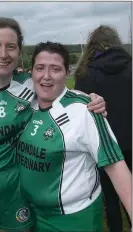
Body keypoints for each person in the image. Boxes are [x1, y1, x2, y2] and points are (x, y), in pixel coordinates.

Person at [0, 17, 106, 232]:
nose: (4, 54)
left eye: (11, 47)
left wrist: (90, 98)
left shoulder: (28, 84)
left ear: (19, 52)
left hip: (16, 185)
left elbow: (60, 91)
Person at [17, 41, 131, 232]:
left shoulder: (85, 110)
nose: (46, 76)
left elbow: (116, 166)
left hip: (74, 218)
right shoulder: (25, 106)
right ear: (31, 72)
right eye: (40, 68)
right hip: (31, 213)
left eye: (55, 69)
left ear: (66, 74)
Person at [74, 25, 132, 231]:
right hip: (130, 141)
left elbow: (77, 112)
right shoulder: (130, 66)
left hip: (103, 145)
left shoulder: (85, 72)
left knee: (110, 196)